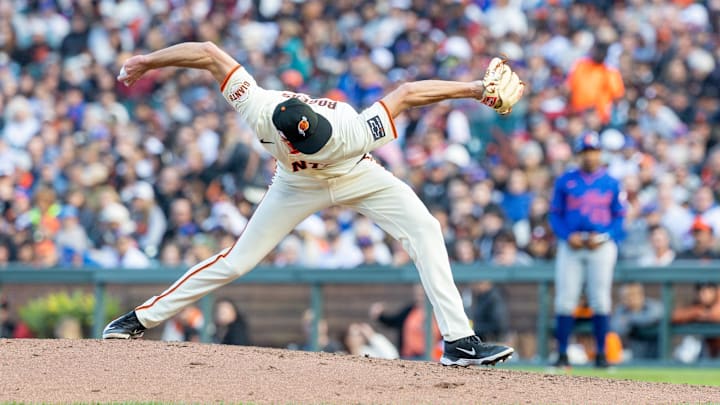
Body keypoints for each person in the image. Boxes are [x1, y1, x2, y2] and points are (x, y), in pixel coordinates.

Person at [102, 40, 525, 367]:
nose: (314, 141)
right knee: (237, 261)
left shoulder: (351, 129)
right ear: (286, 132)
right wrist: (148, 60)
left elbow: (410, 92)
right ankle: (138, 320)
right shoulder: (259, 106)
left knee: (425, 229)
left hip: (357, 173)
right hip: (295, 184)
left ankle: (458, 342)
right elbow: (210, 53)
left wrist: (473, 89)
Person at [549, 131, 626, 368]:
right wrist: (565, 235)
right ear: (578, 154)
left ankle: (601, 354)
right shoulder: (566, 180)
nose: (589, 156)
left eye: (593, 151)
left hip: (600, 244)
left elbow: (620, 218)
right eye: (585, 151)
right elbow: (554, 214)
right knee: (565, 300)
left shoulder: (611, 182)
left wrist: (605, 236)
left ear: (600, 152)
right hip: (572, 243)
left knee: (600, 300)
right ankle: (562, 353)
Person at [369, 284, 442, 360]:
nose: (420, 297)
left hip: (431, 357)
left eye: (423, 294)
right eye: (418, 294)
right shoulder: (409, 310)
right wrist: (380, 316)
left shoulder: (437, 312)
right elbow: (394, 321)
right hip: (409, 356)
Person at [610, 283, 663, 360]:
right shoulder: (621, 310)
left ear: (641, 295)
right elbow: (616, 328)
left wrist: (630, 319)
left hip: (656, 352)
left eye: (632, 295)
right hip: (633, 353)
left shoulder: (653, 306)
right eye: (626, 296)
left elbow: (653, 316)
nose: (630, 299)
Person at [672, 282, 720, 359]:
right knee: (692, 339)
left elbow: (715, 314)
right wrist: (697, 312)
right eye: (701, 290)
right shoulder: (697, 306)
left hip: (717, 349)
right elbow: (674, 316)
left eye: (708, 290)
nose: (704, 294)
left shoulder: (717, 302)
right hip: (705, 352)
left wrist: (706, 314)